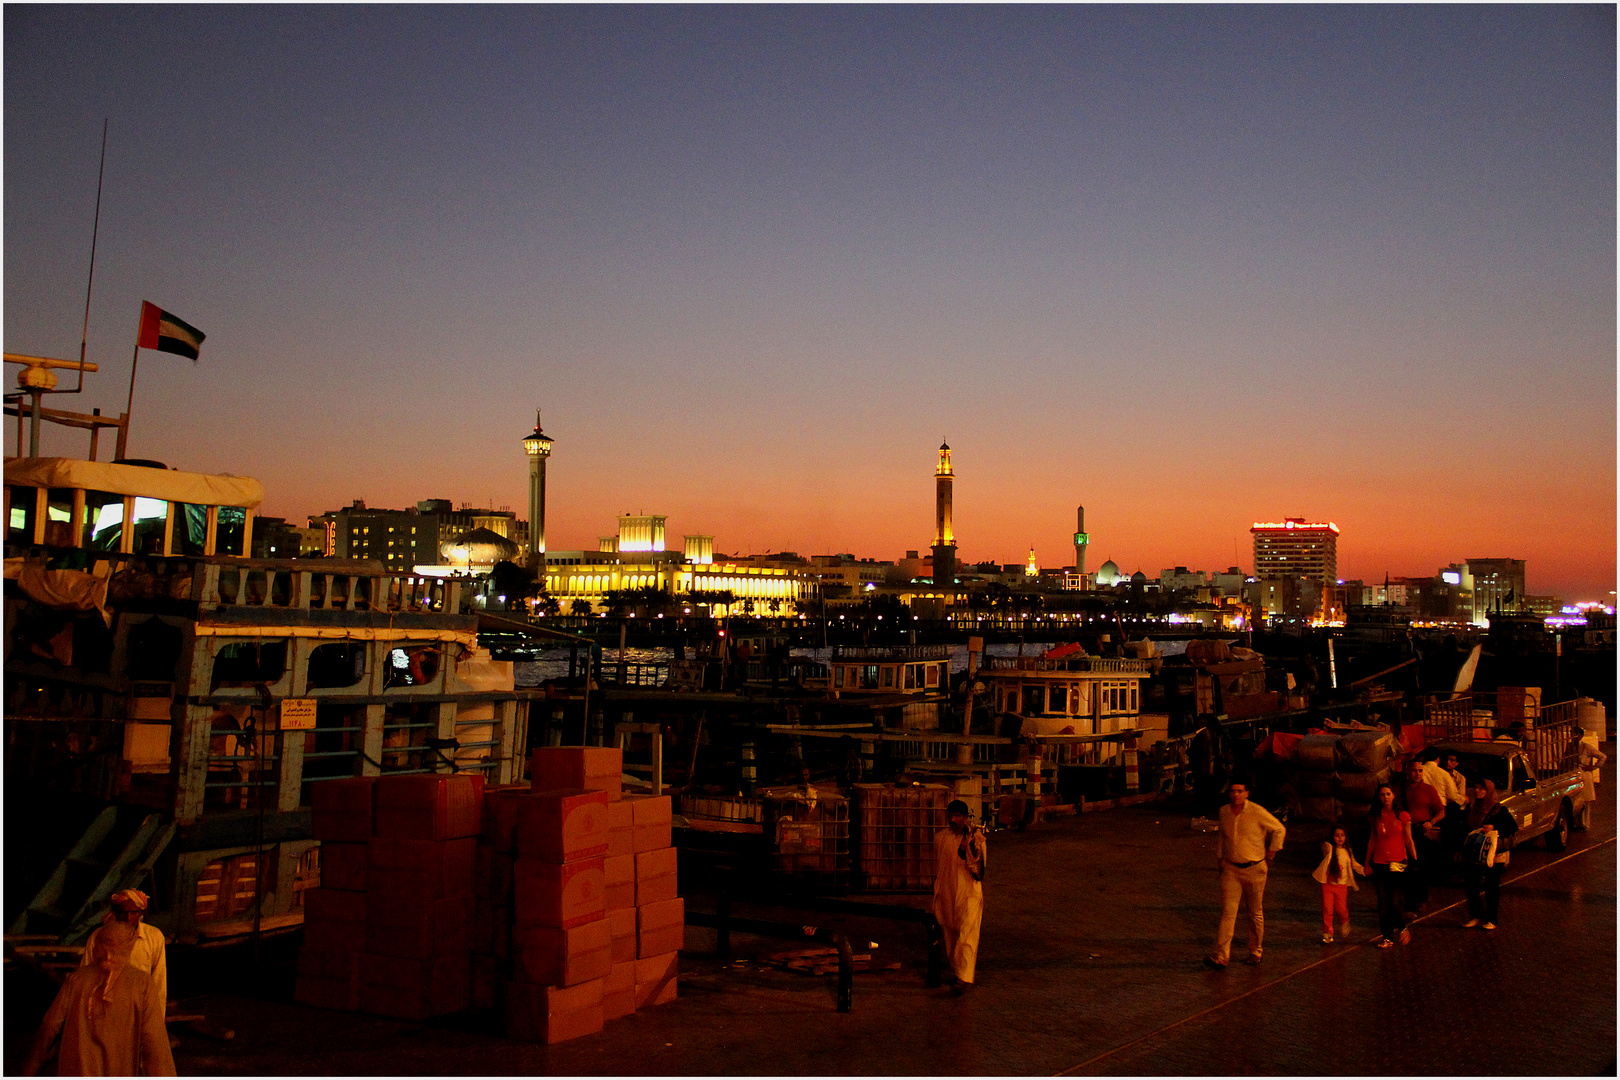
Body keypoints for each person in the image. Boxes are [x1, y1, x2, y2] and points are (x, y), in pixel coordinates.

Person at [21, 918, 176, 1076]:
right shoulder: (141, 983)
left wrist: (33, 1064)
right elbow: (154, 1043)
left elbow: (50, 1024)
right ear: (129, 946)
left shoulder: (78, 979)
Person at [1205, 780, 1285, 968]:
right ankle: (1222, 955)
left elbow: (1279, 829)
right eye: (1233, 791)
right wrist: (1220, 860)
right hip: (1231, 868)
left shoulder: (1256, 811)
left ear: (1247, 793)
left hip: (1254, 868)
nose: (1236, 795)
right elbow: (1222, 838)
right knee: (1228, 912)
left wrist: (1272, 852)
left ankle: (1255, 950)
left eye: (1240, 791)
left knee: (1254, 911)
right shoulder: (1224, 812)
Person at [79, 890, 168, 1009]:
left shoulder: (154, 937)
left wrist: (158, 1018)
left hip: (138, 1005)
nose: (128, 918)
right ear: (115, 912)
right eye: (123, 913)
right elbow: (85, 973)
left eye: (133, 913)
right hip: (104, 1005)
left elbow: (159, 981)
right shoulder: (98, 936)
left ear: (141, 913)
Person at [933, 798, 986, 993]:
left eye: (957, 816)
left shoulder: (977, 839)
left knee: (966, 934)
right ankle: (958, 971)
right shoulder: (941, 838)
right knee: (949, 931)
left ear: (965, 818)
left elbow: (979, 872)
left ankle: (964, 976)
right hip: (947, 890)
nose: (953, 820)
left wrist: (968, 849)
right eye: (951, 816)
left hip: (968, 893)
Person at [1362, 783, 1417, 948]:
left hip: (1398, 862)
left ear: (1393, 796)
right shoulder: (1375, 816)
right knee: (1382, 901)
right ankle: (1387, 936)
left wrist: (1414, 859)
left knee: (1394, 900)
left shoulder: (1403, 816)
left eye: (1388, 794)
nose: (1385, 797)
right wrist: (1367, 863)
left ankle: (1401, 927)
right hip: (1379, 863)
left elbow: (1408, 840)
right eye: (1382, 795)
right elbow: (1372, 839)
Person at [1461, 778, 1518, 930]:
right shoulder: (1472, 807)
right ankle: (1475, 915)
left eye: (1482, 789)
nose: (1478, 791)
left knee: (1491, 887)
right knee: (1471, 886)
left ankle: (1491, 918)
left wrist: (1494, 827)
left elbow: (1512, 827)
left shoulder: (1499, 810)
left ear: (1489, 791)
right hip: (1474, 854)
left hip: (1493, 855)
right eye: (1477, 788)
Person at [1401, 758, 1445, 906]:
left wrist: (1430, 822)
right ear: (1408, 771)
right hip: (1403, 833)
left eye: (1420, 771)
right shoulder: (1400, 790)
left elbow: (1441, 811)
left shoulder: (1429, 790)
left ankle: (1419, 898)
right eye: (1414, 770)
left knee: (1419, 867)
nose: (1417, 774)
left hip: (1420, 833)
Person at [1313, 825, 1365, 944]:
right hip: (1328, 884)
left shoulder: (1347, 851)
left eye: (1342, 835)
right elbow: (1325, 848)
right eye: (1337, 835)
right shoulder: (1330, 849)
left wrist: (1364, 870)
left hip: (1341, 886)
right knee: (1327, 908)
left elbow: (1354, 864)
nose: (1340, 838)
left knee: (1341, 909)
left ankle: (1344, 920)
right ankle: (1328, 932)